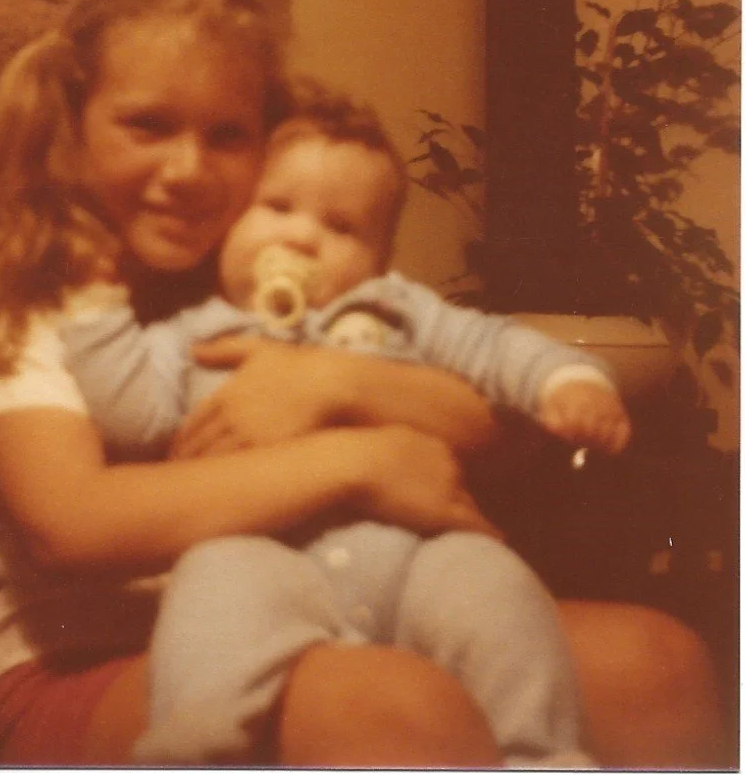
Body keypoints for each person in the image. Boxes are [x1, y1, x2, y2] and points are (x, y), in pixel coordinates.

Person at [0, 0, 724, 767]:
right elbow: (73, 524)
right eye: (147, 125)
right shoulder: (31, 275)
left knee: (654, 667)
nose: (189, 170)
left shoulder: (270, 240)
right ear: (74, 121)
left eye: (227, 135)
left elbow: (504, 438)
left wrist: (332, 382)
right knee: (396, 711)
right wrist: (357, 457)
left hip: (344, 593)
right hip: (94, 657)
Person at [56, 86, 629, 766]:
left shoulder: (396, 306)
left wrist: (568, 382)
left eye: (341, 227)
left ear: (379, 257)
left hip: (416, 557)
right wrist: (90, 298)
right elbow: (125, 405)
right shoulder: (196, 333)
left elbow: (493, 348)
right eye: (276, 208)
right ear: (231, 225)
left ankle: (543, 750)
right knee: (212, 582)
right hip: (266, 554)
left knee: (496, 585)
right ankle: (198, 739)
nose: (302, 236)